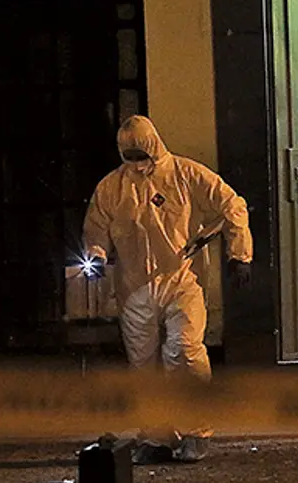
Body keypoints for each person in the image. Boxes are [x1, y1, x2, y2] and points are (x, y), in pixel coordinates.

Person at [82, 115, 253, 460]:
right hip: (134, 288)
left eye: (140, 155)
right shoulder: (112, 188)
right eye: (128, 156)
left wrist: (240, 255)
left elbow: (232, 204)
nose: (136, 163)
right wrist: (96, 255)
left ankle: (196, 431)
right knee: (143, 366)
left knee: (186, 352)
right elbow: (96, 228)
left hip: (182, 280)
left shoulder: (186, 175)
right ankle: (157, 436)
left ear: (154, 147)